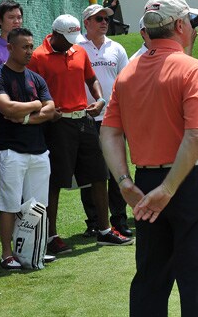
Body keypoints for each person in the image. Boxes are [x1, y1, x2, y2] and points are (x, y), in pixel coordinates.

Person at [100, 0, 198, 316]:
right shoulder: (192, 69)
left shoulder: (128, 73)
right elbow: (195, 135)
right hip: (188, 180)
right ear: (180, 26)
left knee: (150, 279)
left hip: (144, 184)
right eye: (190, 23)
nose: (193, 29)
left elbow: (109, 132)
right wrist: (167, 189)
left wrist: (124, 182)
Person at [27, 14, 132, 254]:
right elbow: (30, 90)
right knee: (55, 181)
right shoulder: (38, 57)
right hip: (56, 124)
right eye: (67, 39)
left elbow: (91, 78)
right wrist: (45, 110)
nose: (71, 44)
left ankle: (104, 230)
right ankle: (51, 236)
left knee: (99, 174)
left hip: (84, 120)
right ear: (55, 34)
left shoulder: (78, 51)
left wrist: (100, 99)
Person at [0, 28, 55, 270]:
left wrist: (27, 117)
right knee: (9, 205)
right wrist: (37, 104)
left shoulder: (35, 78)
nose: (30, 51)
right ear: (10, 48)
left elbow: (51, 110)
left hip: (39, 151)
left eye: (31, 46)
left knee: (38, 205)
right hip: (10, 151)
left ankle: (34, 250)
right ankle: (7, 254)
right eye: (25, 47)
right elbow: (7, 108)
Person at [76, 4, 132, 237]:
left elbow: (126, 81)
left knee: (117, 170)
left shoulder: (116, 48)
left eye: (106, 19)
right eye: (98, 19)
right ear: (86, 23)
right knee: (91, 173)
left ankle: (119, 219)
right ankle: (94, 222)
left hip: (113, 118)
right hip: (86, 118)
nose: (104, 22)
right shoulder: (76, 48)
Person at [0, 0, 23, 68]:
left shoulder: (25, 48)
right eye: (11, 17)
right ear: (0, 21)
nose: (16, 21)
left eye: (19, 17)